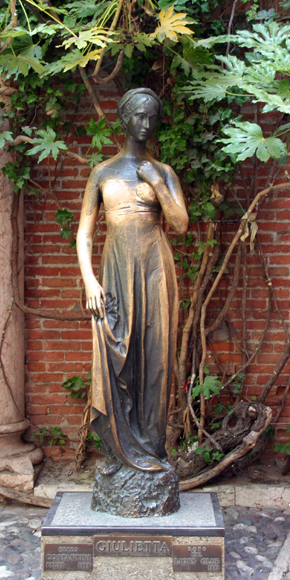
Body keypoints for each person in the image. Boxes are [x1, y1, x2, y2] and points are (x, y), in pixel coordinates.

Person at [76, 88, 188, 478]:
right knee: (113, 357)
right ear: (124, 118)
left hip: (155, 270)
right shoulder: (102, 172)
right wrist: (89, 281)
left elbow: (180, 224)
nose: (146, 124)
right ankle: (118, 451)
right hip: (114, 272)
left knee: (155, 358)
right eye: (139, 115)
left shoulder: (163, 171)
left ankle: (151, 449)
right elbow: (85, 234)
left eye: (152, 117)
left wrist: (157, 183)